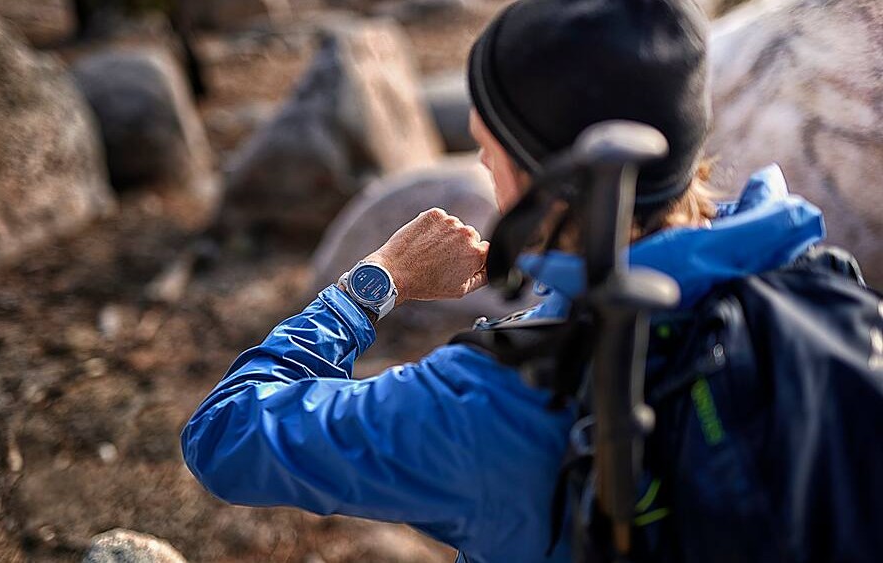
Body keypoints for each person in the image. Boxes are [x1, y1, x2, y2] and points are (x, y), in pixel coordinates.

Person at [181, 1, 830, 561]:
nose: (483, 167)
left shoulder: (490, 405)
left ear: (543, 180)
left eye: (487, 147)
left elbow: (225, 432)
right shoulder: (809, 284)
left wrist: (373, 283)